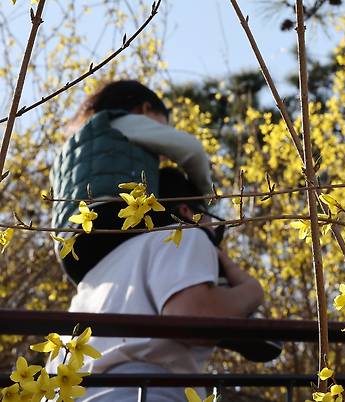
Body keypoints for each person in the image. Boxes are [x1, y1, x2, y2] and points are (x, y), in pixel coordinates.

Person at [46, 167, 265, 401]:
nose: (212, 229)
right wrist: (252, 290)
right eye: (210, 221)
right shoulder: (186, 233)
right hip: (139, 391)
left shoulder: (98, 272)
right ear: (187, 211)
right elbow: (192, 318)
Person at [50, 80, 213, 284]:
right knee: (179, 202)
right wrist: (205, 196)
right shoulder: (123, 121)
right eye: (163, 124)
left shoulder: (66, 152)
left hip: (72, 250)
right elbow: (193, 150)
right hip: (112, 217)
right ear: (145, 109)